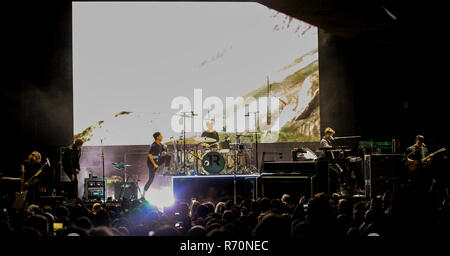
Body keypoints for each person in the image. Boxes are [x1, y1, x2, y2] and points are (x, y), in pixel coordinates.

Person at [143, 132, 171, 198]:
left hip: (157, 161)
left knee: (168, 157)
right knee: (151, 180)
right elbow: (149, 155)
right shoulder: (154, 145)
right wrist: (155, 164)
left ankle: (165, 171)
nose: (162, 136)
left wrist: (166, 148)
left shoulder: (160, 145)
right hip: (152, 164)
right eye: (161, 135)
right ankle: (143, 194)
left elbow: (166, 151)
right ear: (157, 137)